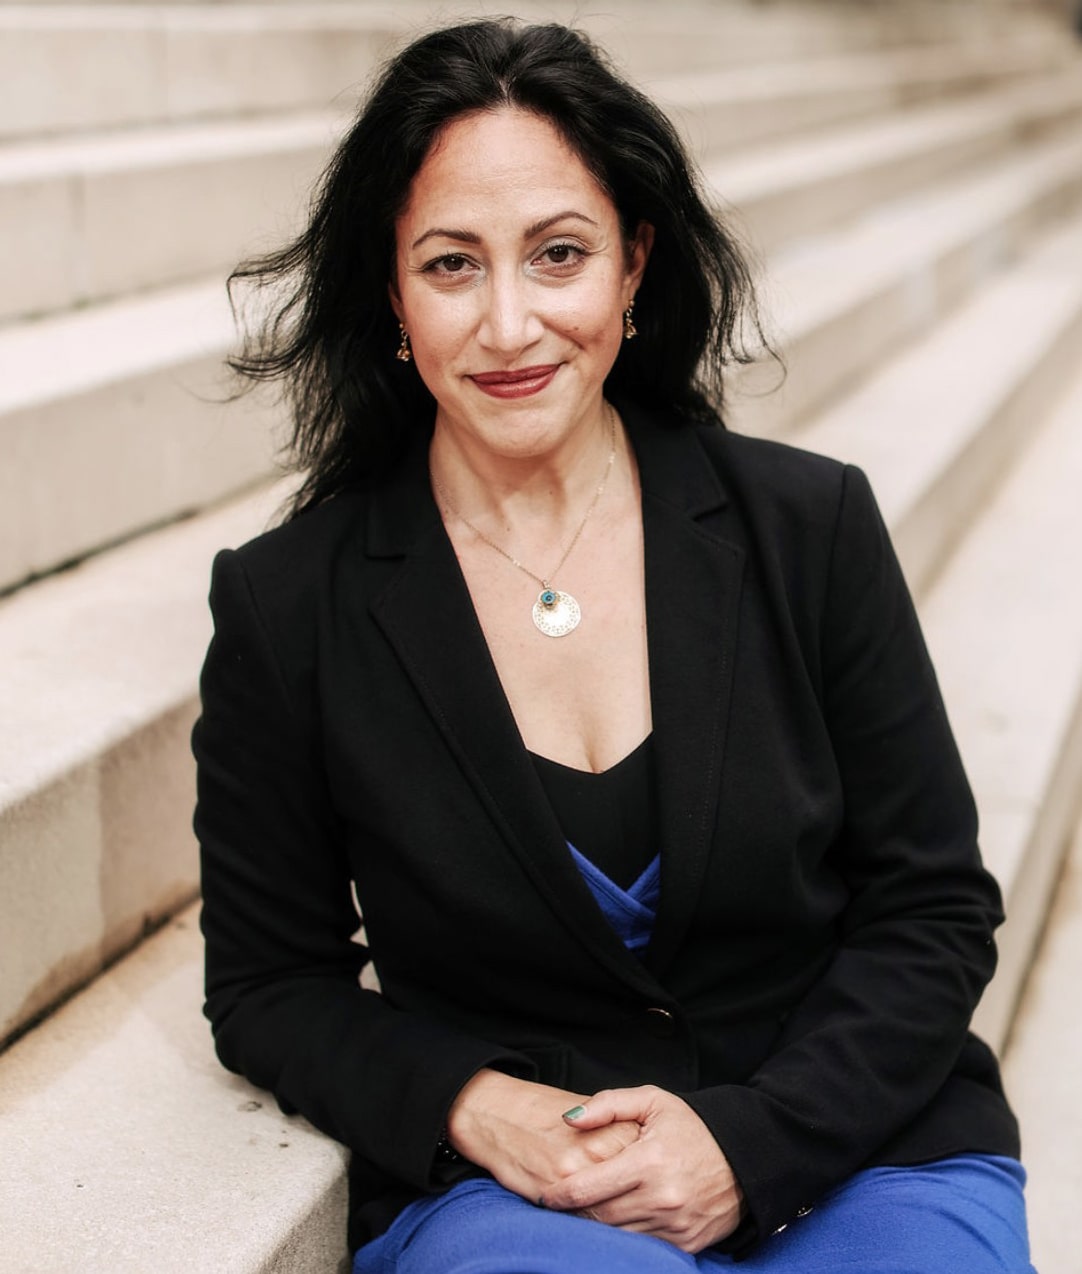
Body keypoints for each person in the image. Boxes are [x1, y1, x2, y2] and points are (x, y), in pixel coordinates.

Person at [193, 18, 1034, 1273]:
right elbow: (268, 984)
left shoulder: (807, 525)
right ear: (389, 291)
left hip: (852, 1139)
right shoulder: (288, 604)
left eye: (558, 254)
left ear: (633, 264)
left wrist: (750, 1139)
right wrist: (476, 1102)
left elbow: (931, 903)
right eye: (450, 264)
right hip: (531, 1193)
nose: (510, 323)